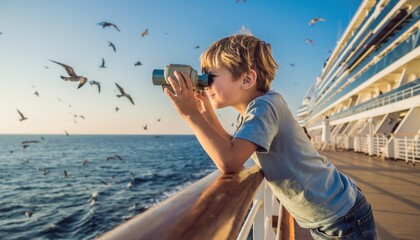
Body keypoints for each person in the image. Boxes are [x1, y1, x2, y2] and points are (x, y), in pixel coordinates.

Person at [163, 34, 377, 239]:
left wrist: (190, 114)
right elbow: (232, 146)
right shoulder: (254, 111)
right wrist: (206, 113)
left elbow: (230, 161)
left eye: (209, 77)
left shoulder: (265, 107)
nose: (204, 84)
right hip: (330, 215)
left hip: (342, 217)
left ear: (247, 78)